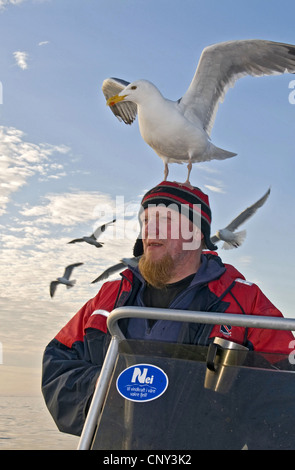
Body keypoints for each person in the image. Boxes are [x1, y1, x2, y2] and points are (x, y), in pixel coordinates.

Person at [42, 180, 294, 437]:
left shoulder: (244, 301)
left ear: (196, 233)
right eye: (146, 220)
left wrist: (219, 411)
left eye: (165, 219)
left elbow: (286, 388)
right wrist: (102, 387)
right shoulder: (110, 298)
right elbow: (56, 365)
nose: (150, 229)